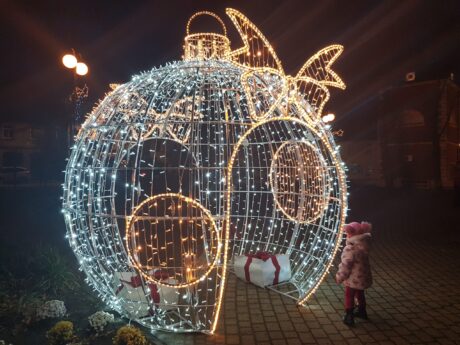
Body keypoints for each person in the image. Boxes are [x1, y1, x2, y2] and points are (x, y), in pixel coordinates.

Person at [336, 221, 373, 326]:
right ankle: (362, 311)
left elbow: (345, 265)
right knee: (360, 292)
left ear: (351, 234)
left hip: (353, 278)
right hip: (362, 277)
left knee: (349, 295)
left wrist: (339, 276)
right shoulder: (364, 245)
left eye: (347, 233)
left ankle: (349, 316)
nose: (346, 235)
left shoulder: (350, 249)